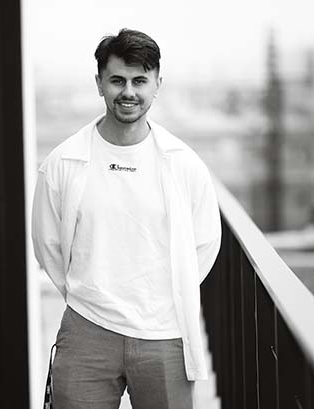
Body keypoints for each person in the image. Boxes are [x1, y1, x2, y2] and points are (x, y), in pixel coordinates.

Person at [31, 28, 221, 409]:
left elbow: (204, 244)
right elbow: (47, 245)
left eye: (140, 81)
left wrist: (157, 300)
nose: (128, 92)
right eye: (117, 80)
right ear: (99, 83)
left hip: (163, 332)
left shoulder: (184, 165)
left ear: (157, 84)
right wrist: (90, 296)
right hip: (87, 329)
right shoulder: (63, 163)